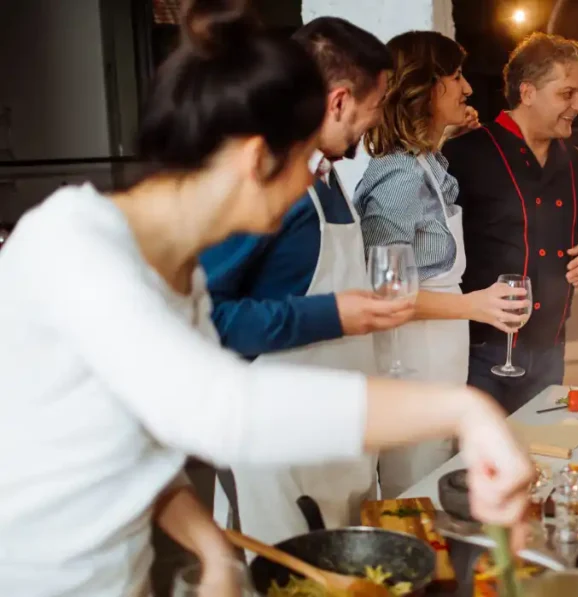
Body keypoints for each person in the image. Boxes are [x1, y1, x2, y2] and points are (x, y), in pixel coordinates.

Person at [0, 2, 533, 595]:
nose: (315, 180)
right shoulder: (74, 247)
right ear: (257, 159)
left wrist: (212, 551)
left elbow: (142, 448)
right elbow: (227, 412)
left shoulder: (181, 278)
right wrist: (464, 411)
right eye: (302, 164)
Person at [197, 16, 410, 548]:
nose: (377, 119)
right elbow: (206, 317)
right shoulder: (265, 179)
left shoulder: (326, 173)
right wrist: (335, 313)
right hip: (274, 448)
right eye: (377, 102)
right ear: (338, 101)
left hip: (333, 440)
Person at [353, 31, 529, 498]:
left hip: (438, 352)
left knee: (435, 471)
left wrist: (443, 133)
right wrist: (476, 305)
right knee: (413, 487)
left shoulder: (425, 163)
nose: (468, 88)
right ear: (425, 88)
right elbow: (383, 295)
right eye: (455, 76)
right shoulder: (397, 175)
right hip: (409, 358)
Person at [442, 32, 578, 414]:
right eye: (567, 94)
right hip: (478, 355)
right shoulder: (464, 153)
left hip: (552, 351)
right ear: (528, 92)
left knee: (540, 461)